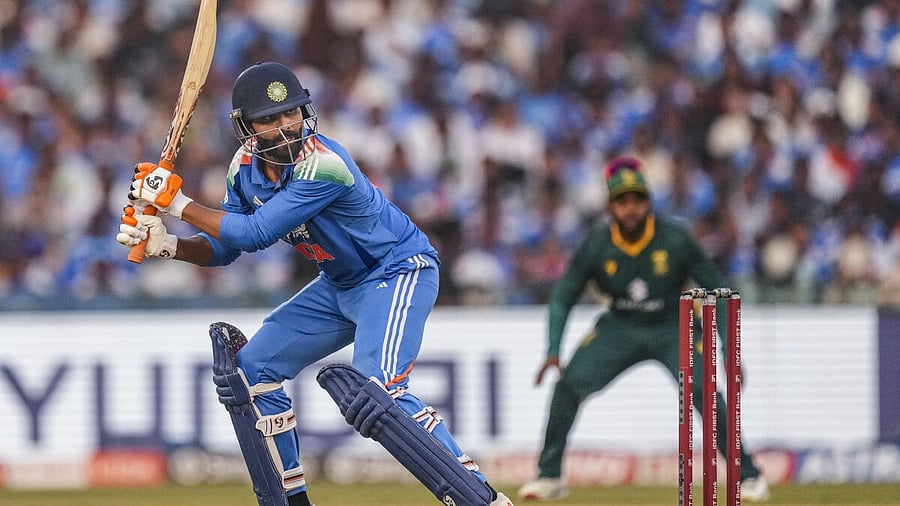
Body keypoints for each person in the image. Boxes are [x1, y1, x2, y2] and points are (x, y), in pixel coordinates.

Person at [117, 61, 513, 506]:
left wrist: (176, 201)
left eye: (293, 112)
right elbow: (228, 249)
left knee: (379, 389)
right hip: (340, 284)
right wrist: (169, 245)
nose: (287, 126)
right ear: (247, 127)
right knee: (252, 371)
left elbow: (256, 233)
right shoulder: (242, 170)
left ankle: (480, 498)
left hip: (398, 270)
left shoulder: (324, 165)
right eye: (271, 119)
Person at [517, 157, 770, 502]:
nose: (631, 209)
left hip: (673, 325)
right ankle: (549, 477)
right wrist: (552, 350)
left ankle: (747, 475)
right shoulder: (597, 244)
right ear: (610, 207)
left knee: (704, 390)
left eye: (637, 201)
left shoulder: (675, 239)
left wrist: (728, 350)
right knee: (568, 386)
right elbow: (562, 296)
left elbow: (720, 293)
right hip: (619, 326)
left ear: (649, 202)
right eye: (622, 202)